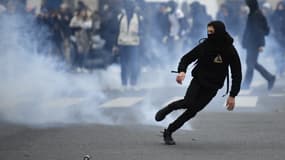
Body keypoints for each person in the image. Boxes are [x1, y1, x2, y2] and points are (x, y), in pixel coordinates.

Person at [155, 21, 242, 145]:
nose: (209, 34)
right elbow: (186, 58)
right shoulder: (205, 46)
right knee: (188, 102)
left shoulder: (229, 50)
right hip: (199, 80)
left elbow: (237, 74)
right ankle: (169, 108)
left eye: (212, 32)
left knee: (192, 111)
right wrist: (182, 71)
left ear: (220, 32)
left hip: (213, 86)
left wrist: (233, 95)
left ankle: (169, 131)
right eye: (208, 32)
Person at [241, 0, 275, 90]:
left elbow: (259, 31)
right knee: (252, 63)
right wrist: (244, 41)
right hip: (251, 43)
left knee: (250, 64)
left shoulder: (256, 15)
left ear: (251, 5)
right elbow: (249, 30)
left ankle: (246, 85)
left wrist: (260, 44)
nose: (246, 6)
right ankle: (270, 78)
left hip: (254, 44)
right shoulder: (253, 14)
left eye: (247, 4)